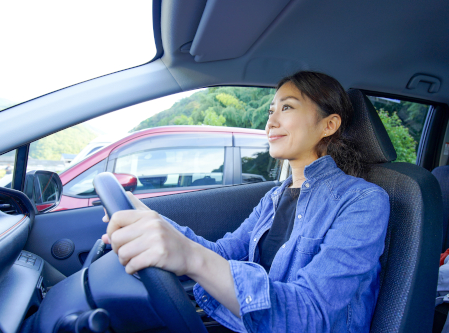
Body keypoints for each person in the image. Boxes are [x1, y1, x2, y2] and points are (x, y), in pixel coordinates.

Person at [101, 71, 390, 332]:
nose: (271, 122)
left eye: (287, 107)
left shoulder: (363, 202)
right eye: (270, 110)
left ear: (328, 124)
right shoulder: (274, 197)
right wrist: (151, 219)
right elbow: (222, 252)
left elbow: (311, 316)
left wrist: (191, 257)